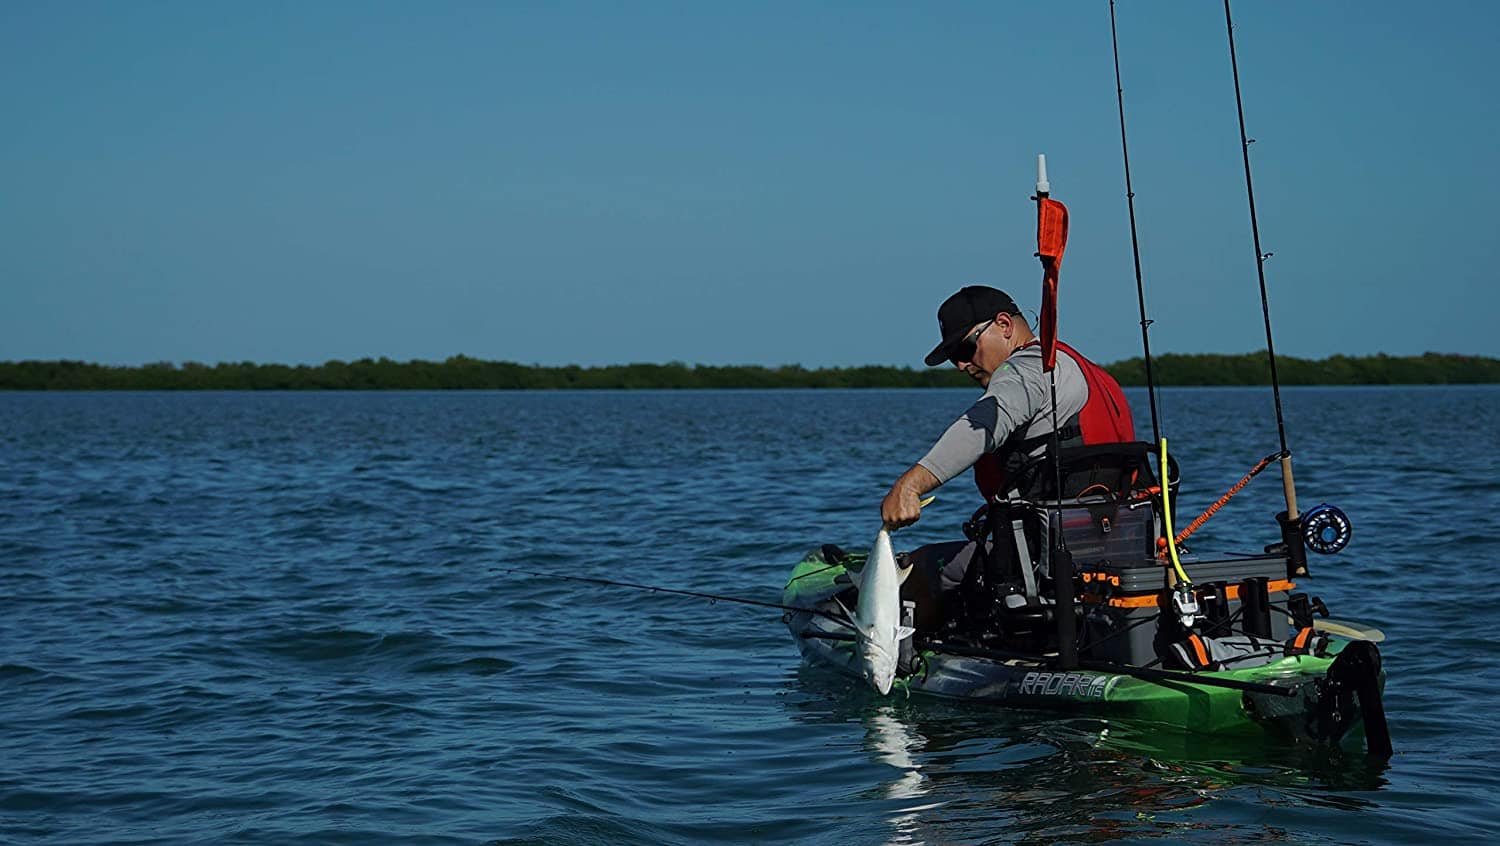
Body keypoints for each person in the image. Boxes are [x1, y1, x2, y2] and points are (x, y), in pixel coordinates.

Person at [880, 285, 1134, 632]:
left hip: (1040, 561)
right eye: (954, 355)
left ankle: (911, 660)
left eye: (966, 347)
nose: (961, 365)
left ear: (1004, 325)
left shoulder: (1027, 369)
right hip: (1116, 548)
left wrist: (910, 485)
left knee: (922, 566)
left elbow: (982, 424)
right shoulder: (1088, 372)